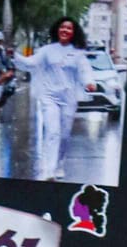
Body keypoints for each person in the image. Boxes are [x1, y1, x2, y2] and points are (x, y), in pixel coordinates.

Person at [14, 13, 95, 178]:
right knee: (52, 132)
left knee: (64, 135)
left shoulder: (78, 53)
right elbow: (30, 63)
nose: (65, 30)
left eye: (69, 28)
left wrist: (89, 82)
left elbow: (85, 70)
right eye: (62, 27)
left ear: (73, 32)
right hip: (49, 96)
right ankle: (49, 170)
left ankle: (59, 165)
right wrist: (13, 56)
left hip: (68, 98)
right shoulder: (47, 50)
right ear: (57, 30)